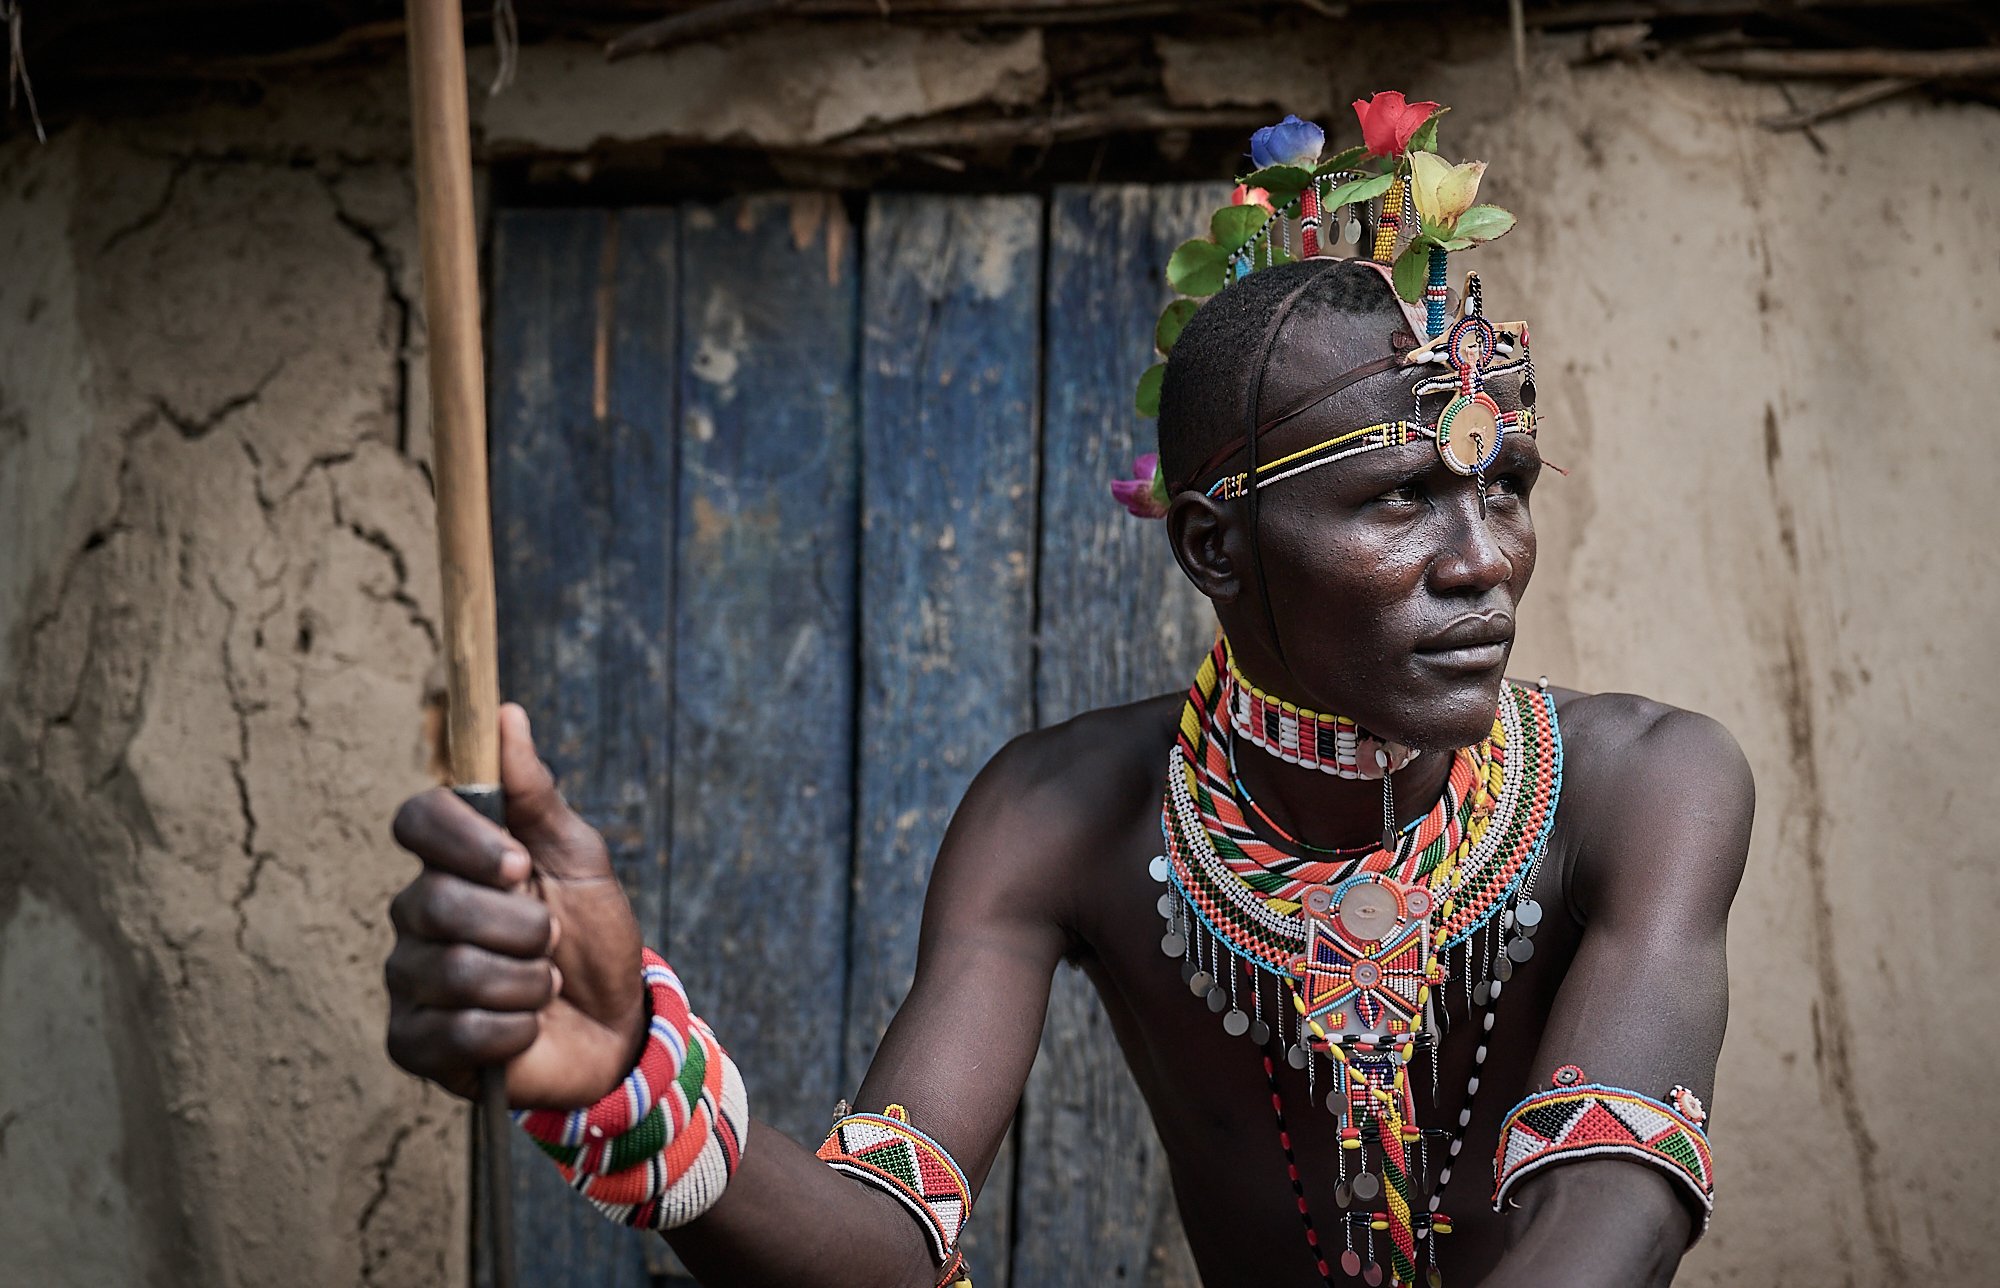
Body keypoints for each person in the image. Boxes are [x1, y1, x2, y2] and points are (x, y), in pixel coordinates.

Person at [382, 98, 1751, 1288]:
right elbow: (880, 1249)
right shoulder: (1061, 817)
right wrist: (635, 1086)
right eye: (1402, 497)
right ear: (1215, 545)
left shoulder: (1651, 787)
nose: (1481, 564)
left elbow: (1608, 1214)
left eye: (1504, 487)